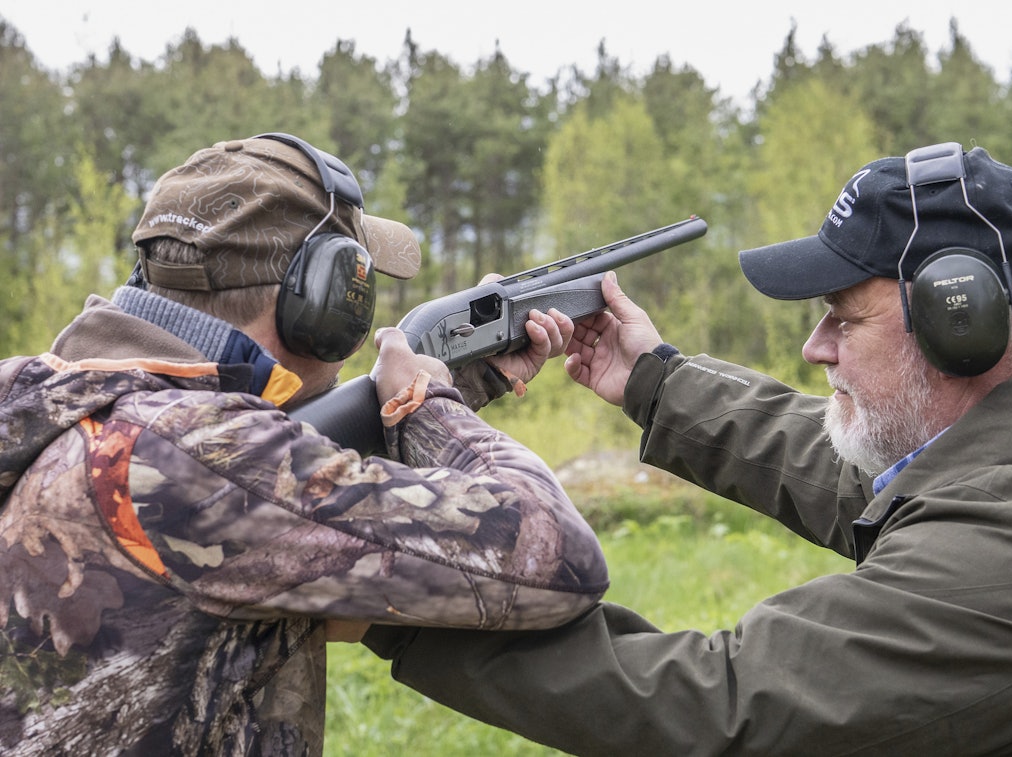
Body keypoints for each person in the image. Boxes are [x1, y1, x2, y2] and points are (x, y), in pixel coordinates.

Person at [362, 142, 1012, 756]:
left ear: (963, 326)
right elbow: (851, 472)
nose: (813, 348)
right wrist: (651, 379)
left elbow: (721, 703)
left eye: (845, 319)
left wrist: (389, 597)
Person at [0, 132, 606, 755]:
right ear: (320, 304)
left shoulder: (64, 406)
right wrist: (428, 404)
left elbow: (304, 475)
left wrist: (463, 378)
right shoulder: (193, 455)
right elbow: (557, 560)